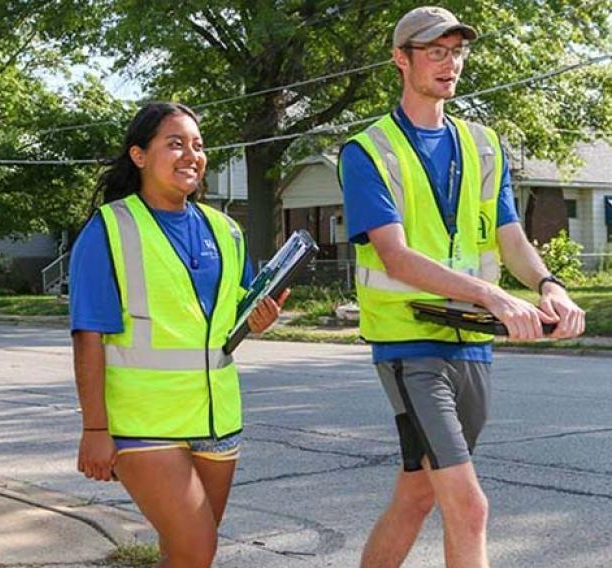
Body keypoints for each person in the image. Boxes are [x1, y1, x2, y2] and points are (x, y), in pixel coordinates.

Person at [339, 6, 585, 568]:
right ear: (401, 60)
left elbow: (510, 237)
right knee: (469, 506)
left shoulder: (483, 145)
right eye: (435, 52)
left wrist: (550, 284)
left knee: (416, 495)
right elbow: (395, 256)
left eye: (456, 52)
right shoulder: (368, 151)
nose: (450, 65)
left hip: (473, 345)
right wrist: (494, 296)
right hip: (411, 346)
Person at [70, 102, 287, 568]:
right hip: (144, 424)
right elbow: (88, 336)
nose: (191, 154)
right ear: (139, 155)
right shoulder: (109, 228)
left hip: (218, 419)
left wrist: (257, 319)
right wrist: (94, 429)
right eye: (175, 143)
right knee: (197, 549)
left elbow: (229, 316)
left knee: (186, 554)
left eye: (198, 145)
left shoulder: (226, 230)